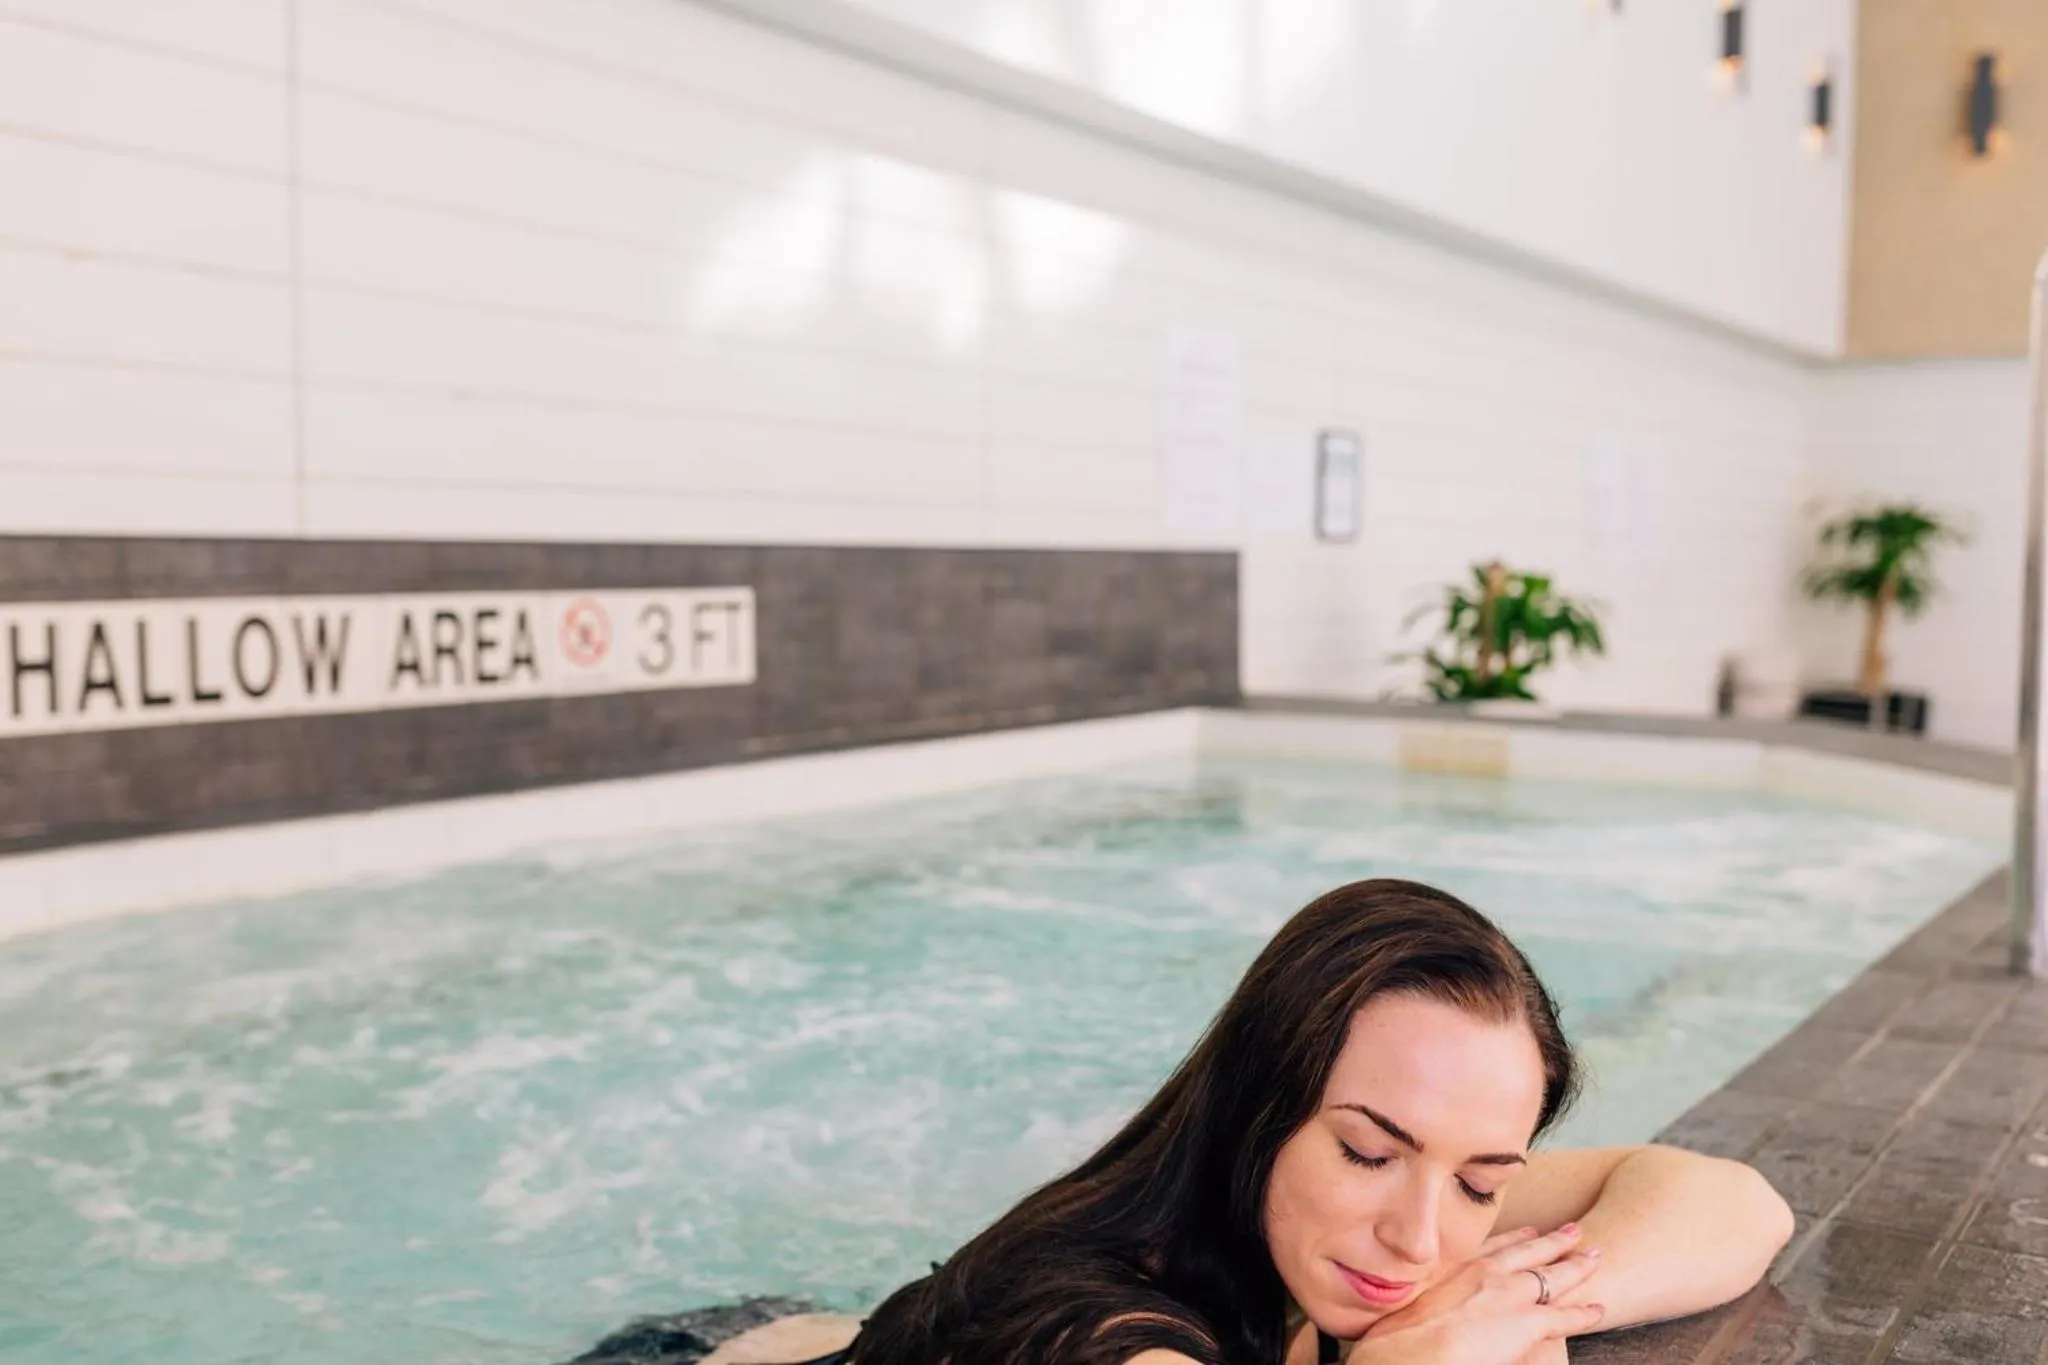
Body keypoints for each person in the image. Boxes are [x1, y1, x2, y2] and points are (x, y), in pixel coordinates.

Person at [704, 878, 1794, 1365]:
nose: (1418, 1240)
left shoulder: (1362, 1244)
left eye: (1479, 1183)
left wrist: (1518, 1304)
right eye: (1368, 1152)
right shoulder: (1101, 1329)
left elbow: (1734, 1207)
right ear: (1254, 1109)